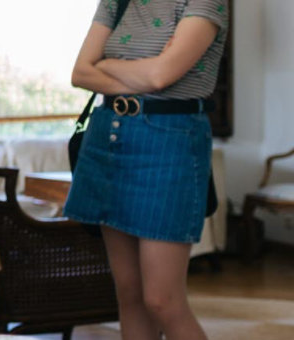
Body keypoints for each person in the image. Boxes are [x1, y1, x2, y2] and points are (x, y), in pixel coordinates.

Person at [67, 0, 227, 338]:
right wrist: (144, 75)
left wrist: (108, 65)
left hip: (169, 141)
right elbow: (81, 72)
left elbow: (160, 76)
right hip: (108, 135)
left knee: (162, 300)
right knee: (129, 294)